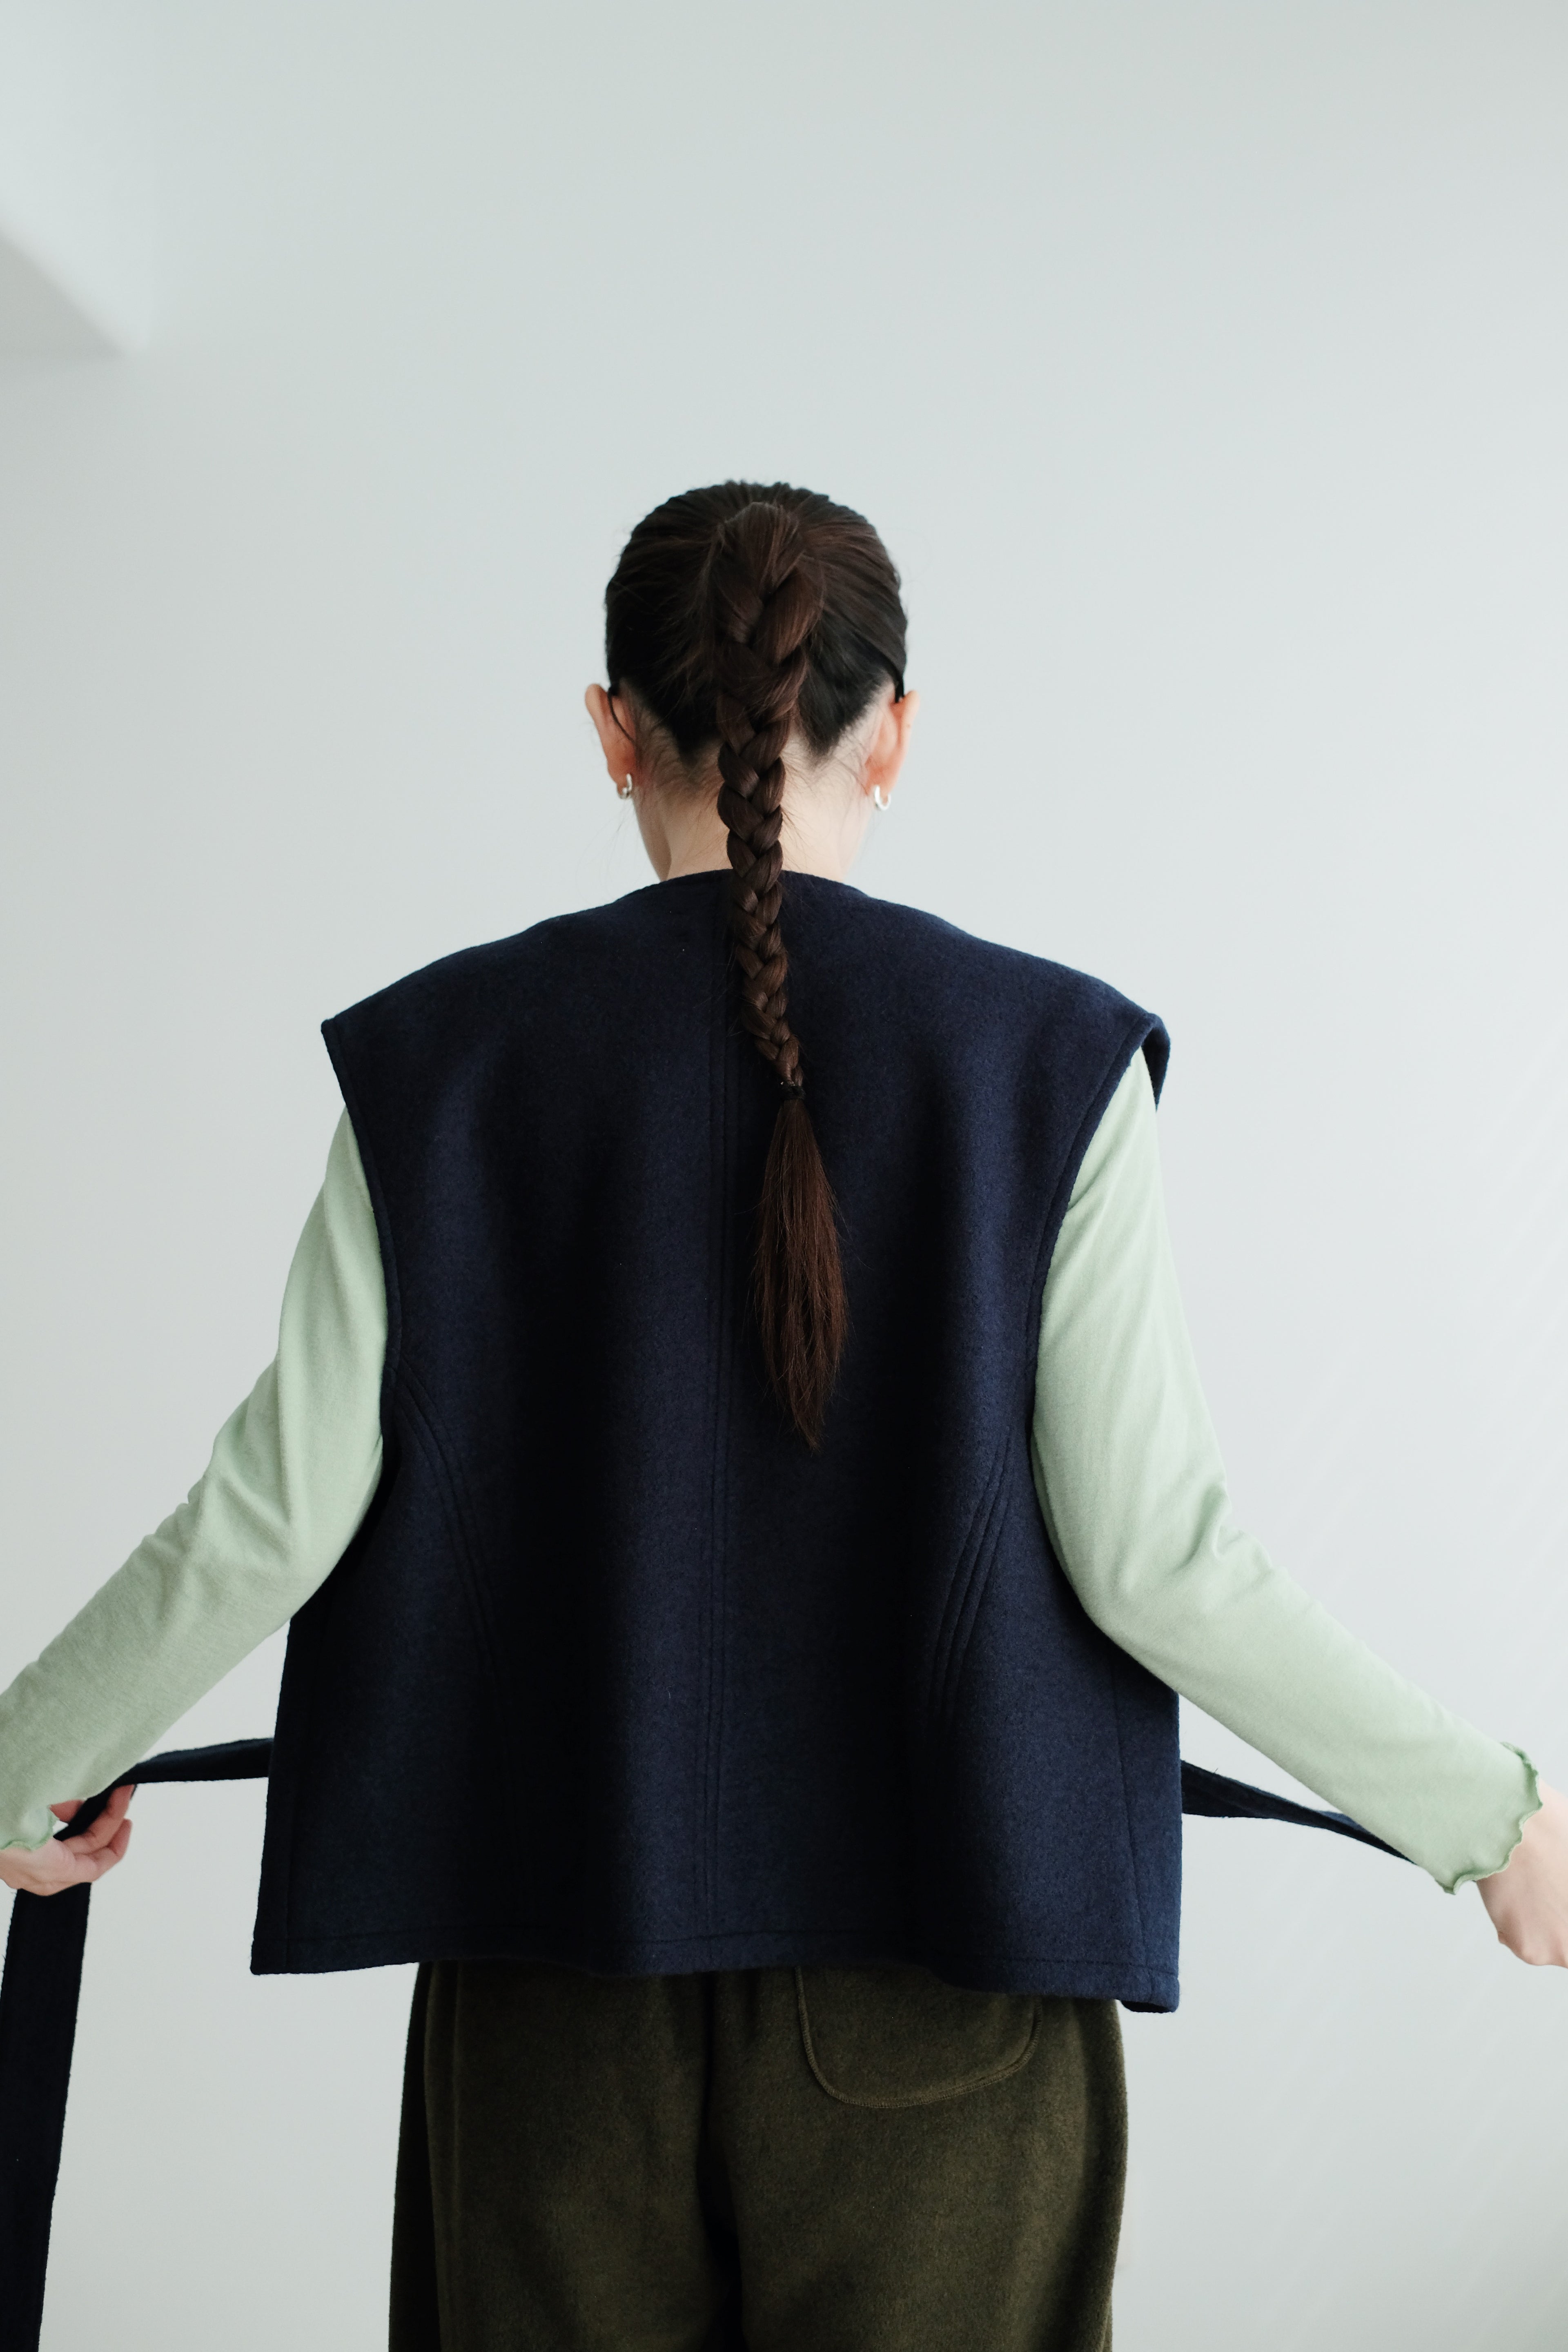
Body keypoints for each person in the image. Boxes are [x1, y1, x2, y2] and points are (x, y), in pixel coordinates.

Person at [2, 481, 1566, 2352]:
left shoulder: (444, 1070)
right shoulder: (1048, 1068)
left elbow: (268, 1516)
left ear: (613, 732)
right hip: (948, 1995)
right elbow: (1162, 1563)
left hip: (552, 1998)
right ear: (891, 733)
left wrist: (28, 1756)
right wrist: (1494, 1823)